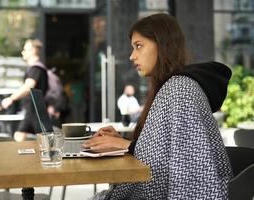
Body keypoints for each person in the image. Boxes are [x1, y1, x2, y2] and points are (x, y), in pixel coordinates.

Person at [83, 13, 232, 199]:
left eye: (139, 46)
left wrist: (126, 145)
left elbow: (188, 169)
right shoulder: (171, 87)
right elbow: (167, 151)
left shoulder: (180, 89)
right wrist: (124, 142)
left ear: (162, 45)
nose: (131, 56)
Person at [1, 39, 48, 141]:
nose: (23, 52)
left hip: (36, 110)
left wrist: (11, 98)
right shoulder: (36, 68)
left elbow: (28, 87)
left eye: (25, 49)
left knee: (44, 141)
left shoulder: (36, 69)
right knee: (21, 135)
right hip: (34, 110)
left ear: (33, 50)